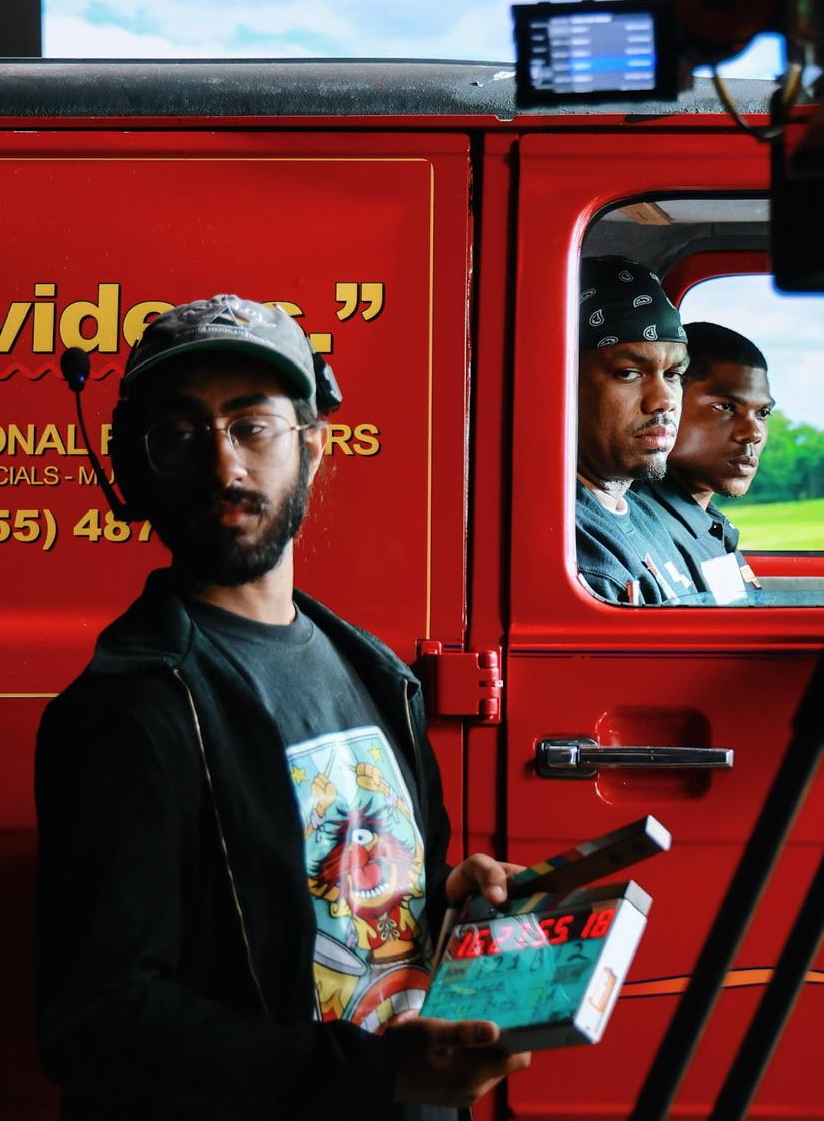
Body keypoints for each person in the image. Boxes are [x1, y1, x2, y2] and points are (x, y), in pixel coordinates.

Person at [34, 294, 530, 1119]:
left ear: (312, 447)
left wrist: (441, 893)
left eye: (251, 426)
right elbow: (96, 1019)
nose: (223, 467)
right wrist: (372, 1076)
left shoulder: (372, 673)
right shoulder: (128, 713)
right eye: (183, 433)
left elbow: (313, 893)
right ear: (137, 465)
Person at [573, 257, 704, 604]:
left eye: (673, 375)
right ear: (565, 381)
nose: (664, 400)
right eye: (629, 373)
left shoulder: (641, 513)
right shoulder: (576, 553)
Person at [632, 321, 773, 605]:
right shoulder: (645, 530)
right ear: (668, 402)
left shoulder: (705, 522)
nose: (753, 433)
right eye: (725, 407)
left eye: (763, 412)